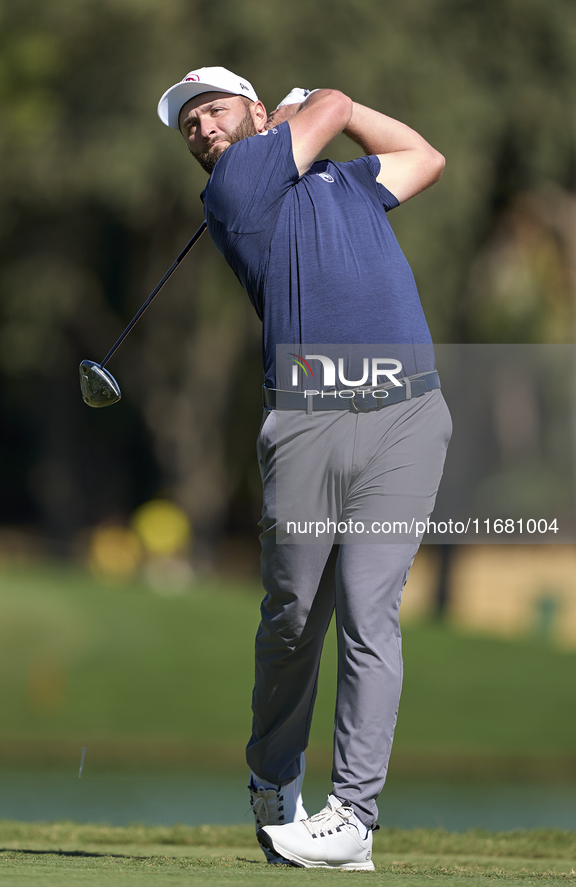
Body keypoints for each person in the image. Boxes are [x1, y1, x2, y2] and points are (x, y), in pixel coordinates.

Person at [157, 66, 452, 871]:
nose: (202, 130)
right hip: (308, 421)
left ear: (251, 109)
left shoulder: (343, 181)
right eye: (188, 125)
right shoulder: (236, 185)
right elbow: (326, 108)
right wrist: (316, 102)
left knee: (368, 611)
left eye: (213, 111)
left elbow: (424, 158)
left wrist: (343, 112)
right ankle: (272, 770)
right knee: (293, 615)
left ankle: (353, 816)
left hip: (406, 414)